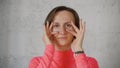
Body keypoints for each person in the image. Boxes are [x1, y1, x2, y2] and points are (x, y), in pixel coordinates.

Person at [29, 6, 99, 68]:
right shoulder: (36, 63)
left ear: (77, 29)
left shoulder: (90, 63)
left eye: (68, 25)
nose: (62, 31)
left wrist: (78, 50)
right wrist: (49, 47)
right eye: (56, 25)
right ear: (47, 30)